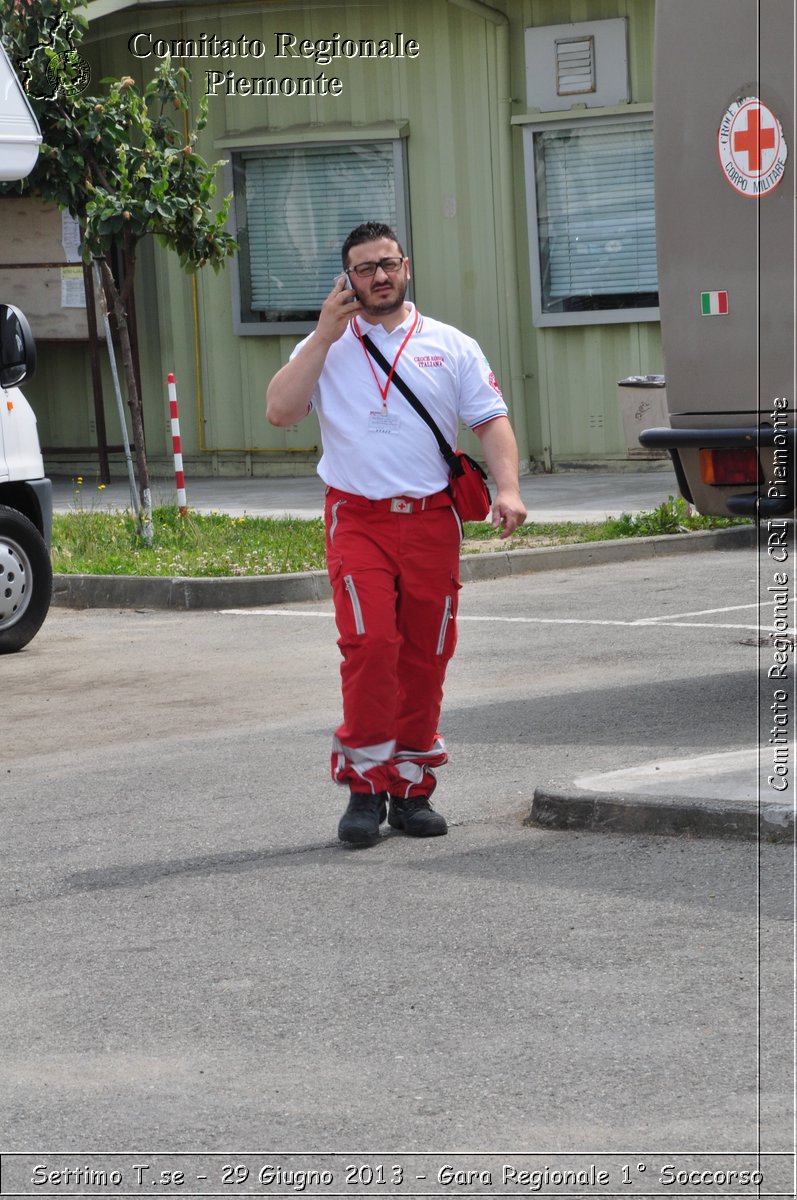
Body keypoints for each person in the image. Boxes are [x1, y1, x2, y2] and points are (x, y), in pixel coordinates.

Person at [266, 221, 526, 847]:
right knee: (371, 644)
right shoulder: (325, 344)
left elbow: (492, 422)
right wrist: (325, 334)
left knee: (425, 654)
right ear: (346, 278)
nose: (378, 277)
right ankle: (364, 788)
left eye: (387, 264)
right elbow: (279, 410)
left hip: (432, 519)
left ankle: (411, 790)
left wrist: (509, 488)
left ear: (406, 266)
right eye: (364, 268)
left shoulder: (451, 345)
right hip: (358, 519)